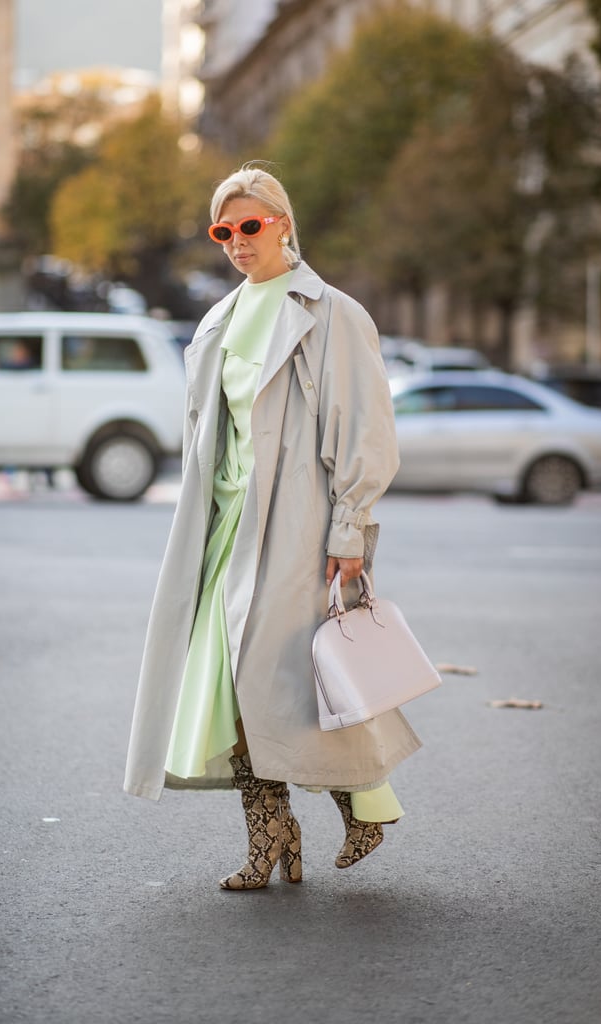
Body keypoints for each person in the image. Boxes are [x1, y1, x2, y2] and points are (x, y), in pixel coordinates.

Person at [124, 165, 421, 890]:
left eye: (250, 226)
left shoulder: (332, 314)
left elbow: (366, 431)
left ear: (283, 223)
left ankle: (364, 804)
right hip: (226, 528)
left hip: (295, 525)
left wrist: (351, 530)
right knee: (232, 688)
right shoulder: (219, 318)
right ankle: (272, 833)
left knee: (295, 681)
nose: (235, 242)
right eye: (222, 231)